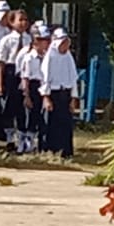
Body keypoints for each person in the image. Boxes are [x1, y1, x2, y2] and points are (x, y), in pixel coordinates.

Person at [0, 10, 31, 151]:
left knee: (23, 107)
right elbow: (1, 64)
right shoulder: (7, 40)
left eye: (25, 20)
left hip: (24, 72)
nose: (23, 23)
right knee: (9, 106)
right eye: (20, 20)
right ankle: (9, 138)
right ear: (11, 22)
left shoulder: (30, 39)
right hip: (10, 72)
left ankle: (22, 138)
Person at [41, 28, 78, 159]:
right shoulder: (49, 57)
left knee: (65, 124)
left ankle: (66, 152)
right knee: (51, 123)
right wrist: (46, 97)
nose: (65, 46)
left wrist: (73, 98)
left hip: (65, 94)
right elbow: (44, 78)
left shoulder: (68, 57)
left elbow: (73, 78)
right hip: (53, 94)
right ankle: (50, 150)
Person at [17, 24, 50, 153]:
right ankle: (22, 142)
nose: (46, 43)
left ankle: (34, 141)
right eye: (43, 40)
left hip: (44, 86)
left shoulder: (48, 57)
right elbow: (25, 77)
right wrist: (26, 95)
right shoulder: (29, 57)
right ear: (36, 41)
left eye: (47, 40)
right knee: (27, 115)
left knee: (38, 116)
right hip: (32, 86)